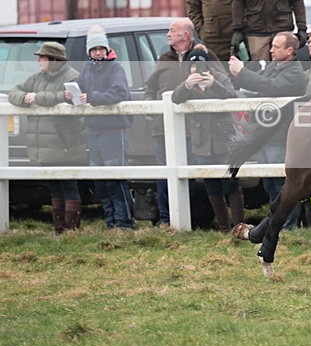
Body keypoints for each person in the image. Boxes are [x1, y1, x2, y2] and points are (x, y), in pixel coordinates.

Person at [230, 31, 308, 229]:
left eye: (276, 46)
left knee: (283, 184)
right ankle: (277, 221)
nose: (271, 50)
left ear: (290, 51)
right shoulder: (275, 67)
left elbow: (270, 87)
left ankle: (288, 225)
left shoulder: (295, 73)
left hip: (281, 136)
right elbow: (261, 87)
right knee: (270, 183)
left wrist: (243, 72)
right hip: (267, 134)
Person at [144, 18, 218, 225]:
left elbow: (221, 82)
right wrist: (151, 106)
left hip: (192, 129)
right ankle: (166, 219)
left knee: (190, 177)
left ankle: (191, 219)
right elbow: (149, 87)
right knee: (164, 175)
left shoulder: (204, 55)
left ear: (186, 34)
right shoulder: (163, 58)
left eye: (172, 30)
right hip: (162, 129)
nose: (168, 34)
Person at [8, 42, 87, 233]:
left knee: (68, 184)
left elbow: (69, 97)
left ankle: (71, 229)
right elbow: (14, 93)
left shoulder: (73, 77)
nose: (38, 61)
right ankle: (59, 228)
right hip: (43, 146)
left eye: (42, 57)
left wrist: (37, 97)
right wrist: (25, 98)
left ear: (53, 60)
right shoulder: (36, 78)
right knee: (54, 186)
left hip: (64, 142)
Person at [68, 27, 135, 230]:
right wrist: (70, 96)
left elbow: (119, 93)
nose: (98, 52)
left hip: (113, 131)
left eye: (101, 48)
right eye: (94, 49)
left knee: (116, 179)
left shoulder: (116, 69)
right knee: (101, 181)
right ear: (89, 51)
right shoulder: (87, 70)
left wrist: (92, 97)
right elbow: (79, 89)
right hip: (94, 130)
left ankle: (124, 224)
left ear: (106, 49)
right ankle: (110, 222)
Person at [172, 47, 244, 232]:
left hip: (224, 139)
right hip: (202, 142)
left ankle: (239, 226)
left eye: (201, 65)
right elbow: (175, 98)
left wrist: (213, 84)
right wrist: (186, 85)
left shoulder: (219, 78)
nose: (198, 70)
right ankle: (223, 228)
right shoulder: (187, 83)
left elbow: (231, 97)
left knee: (231, 184)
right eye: (194, 66)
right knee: (211, 187)